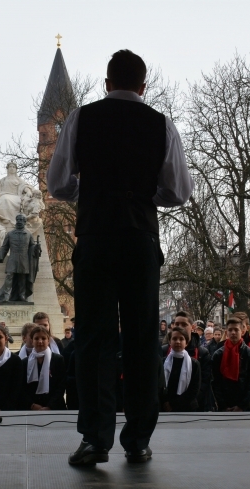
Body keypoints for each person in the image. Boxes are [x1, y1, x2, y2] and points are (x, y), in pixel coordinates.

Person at [48, 49, 193, 465]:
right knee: (143, 339)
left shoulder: (81, 118)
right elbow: (179, 191)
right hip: (139, 240)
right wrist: (145, 195)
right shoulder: (160, 123)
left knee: (94, 339)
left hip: (95, 238)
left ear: (106, 83)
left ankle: (95, 438)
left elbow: (58, 183)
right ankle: (139, 440)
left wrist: (91, 193)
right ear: (144, 87)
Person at [169, 312, 212, 412]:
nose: (180, 327)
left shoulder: (202, 353)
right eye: (177, 324)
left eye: (184, 324)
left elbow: (204, 383)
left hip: (192, 408)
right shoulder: (165, 352)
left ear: (192, 327)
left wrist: (187, 402)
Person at [212, 318, 250, 412]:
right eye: (230, 330)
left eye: (236, 330)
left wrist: (242, 406)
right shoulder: (218, 354)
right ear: (226, 332)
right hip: (224, 406)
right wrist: (223, 405)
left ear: (242, 332)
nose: (233, 333)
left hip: (245, 407)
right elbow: (215, 382)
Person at [20, 325, 66, 410]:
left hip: (54, 408)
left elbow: (61, 386)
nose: (40, 341)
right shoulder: (24, 362)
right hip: (31, 409)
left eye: (43, 338)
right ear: (32, 341)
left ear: (48, 341)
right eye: (36, 338)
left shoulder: (58, 360)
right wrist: (32, 405)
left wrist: (50, 406)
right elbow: (21, 388)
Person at [161, 327, 201, 412]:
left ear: (186, 342)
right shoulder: (163, 362)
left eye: (181, 339)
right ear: (169, 341)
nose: (178, 341)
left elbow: (194, 389)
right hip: (165, 407)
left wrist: (175, 404)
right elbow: (159, 385)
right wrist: (166, 402)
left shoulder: (194, 364)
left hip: (187, 408)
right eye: (174, 339)